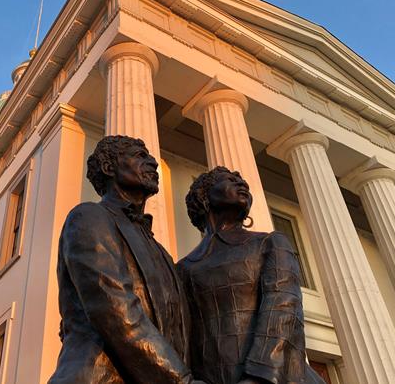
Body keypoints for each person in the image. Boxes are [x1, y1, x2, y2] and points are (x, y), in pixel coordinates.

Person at [49, 135, 205, 384]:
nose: (153, 162)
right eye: (140, 155)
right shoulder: (89, 217)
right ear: (109, 168)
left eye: (151, 157)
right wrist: (181, 381)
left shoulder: (160, 250)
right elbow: (114, 309)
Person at [177, 167, 325, 384]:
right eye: (230, 179)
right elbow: (182, 334)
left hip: (270, 378)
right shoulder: (184, 268)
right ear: (204, 196)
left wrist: (259, 376)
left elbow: (283, 309)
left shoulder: (270, 243)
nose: (242, 184)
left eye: (242, 181)